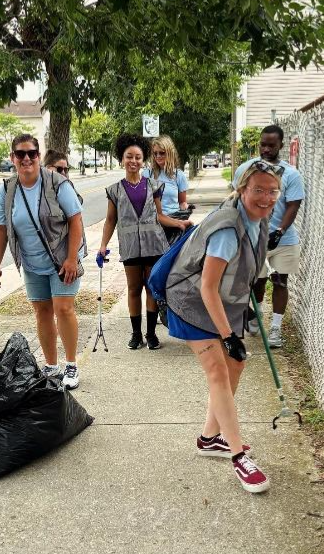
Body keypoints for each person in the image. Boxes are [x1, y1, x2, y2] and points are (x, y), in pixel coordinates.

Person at [165, 162, 282, 493]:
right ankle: (237, 456)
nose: (266, 198)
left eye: (272, 191)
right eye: (258, 190)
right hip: (190, 302)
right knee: (218, 370)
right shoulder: (227, 232)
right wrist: (229, 336)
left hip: (220, 303)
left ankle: (208, 438)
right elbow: (206, 287)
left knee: (236, 365)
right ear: (242, 188)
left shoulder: (257, 220)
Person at [0, 134, 86, 389]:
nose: (27, 159)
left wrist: (72, 258)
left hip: (62, 259)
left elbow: (76, 219)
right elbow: (0, 229)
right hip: (32, 262)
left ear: (38, 156)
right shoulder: (7, 189)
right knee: (42, 312)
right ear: (12, 158)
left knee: (63, 308)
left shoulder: (57, 184)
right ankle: (51, 366)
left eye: (31, 153)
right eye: (20, 154)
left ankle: (71, 365)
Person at [98, 134, 191, 350]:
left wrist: (179, 224)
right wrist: (103, 245)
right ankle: (136, 334)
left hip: (154, 244)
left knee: (150, 289)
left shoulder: (154, 185)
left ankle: (150, 334)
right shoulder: (114, 190)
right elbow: (111, 220)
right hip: (130, 247)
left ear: (143, 160)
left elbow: (159, 215)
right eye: (129, 157)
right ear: (121, 159)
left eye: (138, 157)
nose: (133, 161)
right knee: (133, 289)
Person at [232, 125, 304, 348]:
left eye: (271, 145)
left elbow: (293, 205)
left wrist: (280, 231)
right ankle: (257, 318)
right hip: (254, 238)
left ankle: (275, 329)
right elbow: (237, 199)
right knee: (258, 281)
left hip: (283, 240)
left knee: (281, 282)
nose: (266, 149)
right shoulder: (246, 169)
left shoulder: (291, 174)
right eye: (263, 144)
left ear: (281, 146)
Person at [143, 135, 191, 241]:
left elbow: (182, 202)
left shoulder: (179, 175)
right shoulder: (147, 174)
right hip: (152, 225)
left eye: (162, 153)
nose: (158, 156)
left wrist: (185, 211)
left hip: (173, 223)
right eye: (155, 153)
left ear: (169, 153)